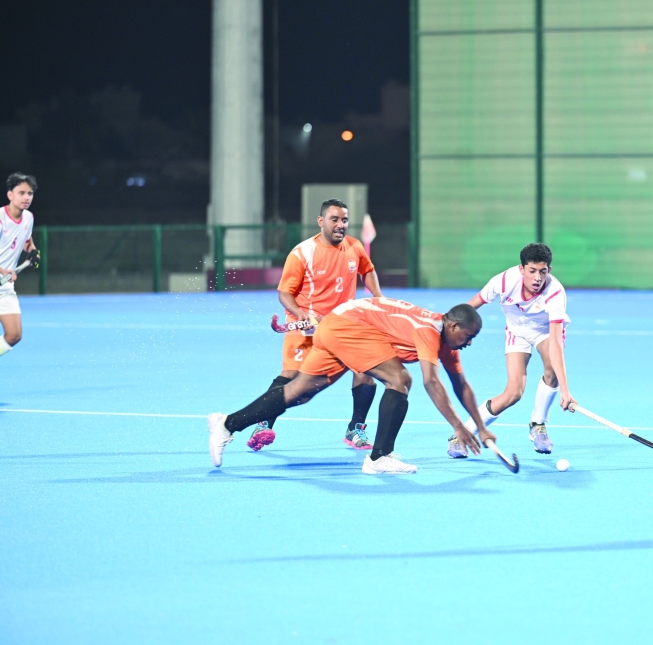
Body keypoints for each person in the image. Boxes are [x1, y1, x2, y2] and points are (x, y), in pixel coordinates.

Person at [208, 298, 496, 474]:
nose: (469, 343)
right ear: (454, 326)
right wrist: (458, 427)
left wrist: (480, 426)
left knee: (300, 392)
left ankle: (227, 423)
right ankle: (379, 457)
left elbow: (461, 384)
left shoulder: (448, 343)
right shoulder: (428, 331)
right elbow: (431, 382)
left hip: (339, 324)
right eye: (469, 336)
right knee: (400, 379)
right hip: (348, 325)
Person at [246, 199, 383, 453]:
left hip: (342, 325)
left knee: (365, 369)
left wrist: (378, 299)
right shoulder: (302, 253)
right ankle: (263, 423)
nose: (340, 225)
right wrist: (301, 314)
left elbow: (368, 270)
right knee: (291, 378)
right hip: (306, 326)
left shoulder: (354, 246)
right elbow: (284, 293)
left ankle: (356, 429)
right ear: (321, 221)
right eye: (334, 219)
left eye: (344, 220)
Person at [446, 243, 575, 458]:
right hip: (517, 330)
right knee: (513, 393)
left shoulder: (555, 293)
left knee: (552, 367)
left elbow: (555, 343)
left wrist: (565, 390)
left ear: (549, 271)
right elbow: (472, 305)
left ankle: (538, 424)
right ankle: (462, 433)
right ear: (522, 268)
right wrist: (448, 327)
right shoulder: (504, 281)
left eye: (542, 272)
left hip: (544, 331)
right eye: (532, 271)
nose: (537, 278)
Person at [1, 173, 39, 359]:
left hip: (4, 287)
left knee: (14, 334)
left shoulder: (28, 218)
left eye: (30, 193)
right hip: (3, 276)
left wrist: (32, 250)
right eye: (21, 192)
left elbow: (25, 240)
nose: (26, 197)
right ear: (10, 195)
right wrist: (3, 271)